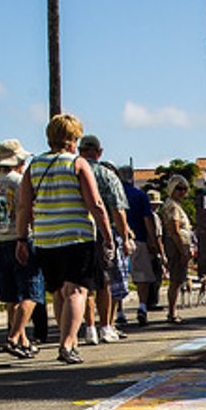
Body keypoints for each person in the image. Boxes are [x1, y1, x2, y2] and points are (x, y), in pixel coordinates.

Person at [14, 112, 112, 365]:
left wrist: (21, 238)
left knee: (58, 291)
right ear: (72, 138)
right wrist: (108, 235)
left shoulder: (34, 166)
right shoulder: (77, 164)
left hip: (46, 238)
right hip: (77, 235)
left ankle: (65, 339)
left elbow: (24, 206)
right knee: (77, 290)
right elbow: (96, 204)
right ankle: (68, 344)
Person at [0, 138, 41, 358]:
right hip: (22, 239)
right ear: (16, 161)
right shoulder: (20, 181)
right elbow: (29, 210)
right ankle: (14, 337)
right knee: (31, 292)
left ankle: (23, 340)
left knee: (11, 297)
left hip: (0, 241)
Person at [77, 134, 132, 343]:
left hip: (77, 232)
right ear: (99, 152)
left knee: (85, 283)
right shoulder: (107, 175)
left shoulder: (72, 172)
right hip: (102, 232)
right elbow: (118, 210)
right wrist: (124, 237)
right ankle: (105, 326)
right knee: (106, 282)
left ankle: (89, 327)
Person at [130, 182, 167, 327]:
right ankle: (148, 303)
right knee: (151, 278)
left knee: (143, 277)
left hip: (139, 245)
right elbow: (157, 236)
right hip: (149, 248)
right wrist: (161, 253)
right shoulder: (153, 217)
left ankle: (147, 304)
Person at [159, 175, 195, 324]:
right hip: (175, 245)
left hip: (180, 244)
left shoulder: (176, 205)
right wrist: (182, 250)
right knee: (176, 279)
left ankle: (173, 312)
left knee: (179, 279)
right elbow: (174, 230)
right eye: (179, 188)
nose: (182, 192)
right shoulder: (172, 206)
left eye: (184, 189)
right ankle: (172, 312)